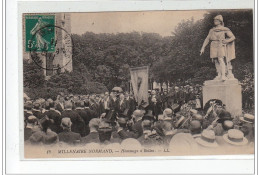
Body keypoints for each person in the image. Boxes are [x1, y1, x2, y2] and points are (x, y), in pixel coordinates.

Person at [200, 15, 236, 81]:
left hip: (220, 44)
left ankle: (223, 75)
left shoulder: (225, 29)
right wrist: (203, 47)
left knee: (220, 59)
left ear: (220, 22)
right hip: (213, 45)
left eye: (216, 20)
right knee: (216, 60)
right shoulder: (212, 30)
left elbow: (233, 37)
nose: (215, 21)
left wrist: (227, 41)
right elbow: (207, 39)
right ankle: (219, 74)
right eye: (214, 20)